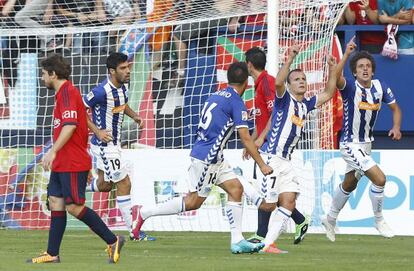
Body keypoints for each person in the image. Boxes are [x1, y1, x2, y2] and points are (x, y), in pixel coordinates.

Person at [132, 62, 274, 254]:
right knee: (193, 202)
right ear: (246, 82)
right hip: (208, 158)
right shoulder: (236, 102)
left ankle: (237, 240)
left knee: (236, 189)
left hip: (215, 156)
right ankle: (143, 213)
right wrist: (262, 164)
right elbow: (246, 139)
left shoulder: (215, 96)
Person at [27, 54, 125, 264]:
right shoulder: (65, 93)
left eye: (44, 74)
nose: (42, 78)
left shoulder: (67, 93)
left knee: (73, 206)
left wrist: (52, 151)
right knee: (55, 202)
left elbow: (70, 125)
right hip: (65, 160)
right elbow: (81, 120)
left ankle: (113, 239)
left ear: (53, 74)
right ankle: (52, 253)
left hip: (70, 160)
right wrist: (95, 133)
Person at [253, 44, 339, 254]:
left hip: (286, 161)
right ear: (290, 85)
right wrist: (289, 59)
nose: (301, 82)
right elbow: (279, 82)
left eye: (303, 79)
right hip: (271, 158)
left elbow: (328, 93)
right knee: (268, 204)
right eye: (297, 79)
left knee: (289, 201)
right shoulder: (284, 100)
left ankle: (268, 244)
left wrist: (332, 69)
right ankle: (260, 232)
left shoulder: (306, 104)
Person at [322, 40, 402, 241]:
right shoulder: (349, 87)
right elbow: (336, 77)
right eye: (360, 67)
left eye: (368, 66)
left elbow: (396, 108)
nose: (365, 69)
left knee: (350, 184)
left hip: (366, 145)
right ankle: (379, 220)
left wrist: (396, 127)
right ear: (355, 72)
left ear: (373, 71)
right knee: (380, 178)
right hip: (350, 144)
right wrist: (347, 54)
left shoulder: (380, 87)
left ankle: (330, 218)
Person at [83, 52, 154, 241]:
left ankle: (73, 188)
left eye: (128, 66)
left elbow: (122, 105)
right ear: (112, 71)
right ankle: (134, 231)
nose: (128, 70)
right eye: (123, 68)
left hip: (114, 145)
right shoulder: (100, 91)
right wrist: (97, 131)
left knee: (105, 185)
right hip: (104, 146)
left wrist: (134, 115)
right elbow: (79, 110)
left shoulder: (122, 88)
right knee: (124, 182)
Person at [243, 47, 310, 245]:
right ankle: (298, 221)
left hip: (272, 146)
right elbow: (263, 119)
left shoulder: (267, 83)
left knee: (266, 192)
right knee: (273, 193)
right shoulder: (260, 83)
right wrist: (253, 139)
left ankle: (261, 237)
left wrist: (261, 138)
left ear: (249, 64)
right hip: (266, 144)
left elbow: (275, 115)